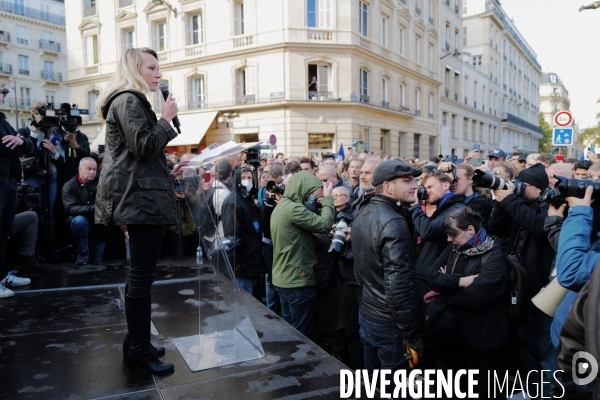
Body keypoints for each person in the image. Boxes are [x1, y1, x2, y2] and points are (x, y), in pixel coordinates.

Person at [95, 47, 179, 374]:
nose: (158, 74)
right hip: (139, 202)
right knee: (141, 278)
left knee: (139, 277)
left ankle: (136, 343)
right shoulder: (129, 99)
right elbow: (144, 146)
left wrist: (168, 171)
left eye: (159, 68)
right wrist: (167, 119)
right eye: (152, 68)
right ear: (135, 69)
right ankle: (140, 349)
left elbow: (139, 156)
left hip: (140, 196)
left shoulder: (129, 100)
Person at [488, 162, 557, 397]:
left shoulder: (552, 206)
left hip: (543, 292)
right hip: (518, 287)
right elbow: (494, 228)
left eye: (523, 185)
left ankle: (546, 391)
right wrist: (500, 202)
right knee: (524, 344)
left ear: (538, 188)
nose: (518, 188)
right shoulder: (519, 205)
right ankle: (529, 389)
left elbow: (539, 228)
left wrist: (510, 200)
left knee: (544, 347)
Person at [427, 207, 509, 397]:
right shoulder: (454, 248)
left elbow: (475, 297)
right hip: (455, 333)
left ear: (470, 229)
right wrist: (460, 281)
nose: (449, 239)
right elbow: (431, 276)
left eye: (453, 234)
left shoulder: (493, 256)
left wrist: (444, 291)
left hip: (482, 339)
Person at [353, 161, 423, 376]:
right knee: (394, 387)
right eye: (407, 181)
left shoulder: (364, 211)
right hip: (387, 322)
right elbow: (398, 286)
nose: (415, 186)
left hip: (368, 313)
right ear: (388, 186)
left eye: (414, 180)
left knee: (375, 384)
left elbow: (361, 272)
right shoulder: (393, 221)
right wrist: (411, 335)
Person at [270, 171, 334, 337]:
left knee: (290, 330)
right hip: (297, 280)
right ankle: (301, 364)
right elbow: (325, 224)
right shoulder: (294, 209)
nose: (312, 197)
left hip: (283, 278)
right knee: (302, 336)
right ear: (302, 190)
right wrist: (328, 198)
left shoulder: (282, 206)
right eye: (311, 192)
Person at [410, 171, 466, 300]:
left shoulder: (456, 210)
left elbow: (428, 231)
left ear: (446, 185)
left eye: (430, 187)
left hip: (433, 277)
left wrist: (414, 206)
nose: (426, 192)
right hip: (428, 274)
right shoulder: (445, 209)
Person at [1, 87, 34, 298]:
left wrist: (21, 141)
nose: (2, 95)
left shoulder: (3, 120)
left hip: (9, 183)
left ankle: (2, 275)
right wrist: (20, 143)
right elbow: (6, 145)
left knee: (3, 233)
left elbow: (28, 145)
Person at [221, 167, 266, 294]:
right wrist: (238, 262)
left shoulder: (247, 199)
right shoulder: (232, 202)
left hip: (252, 259)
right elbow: (231, 236)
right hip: (242, 264)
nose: (247, 181)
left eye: (249, 178)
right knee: (245, 299)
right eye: (243, 178)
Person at [63, 157, 106, 266]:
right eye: (89, 169)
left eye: (94, 169)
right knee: (78, 221)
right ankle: (82, 252)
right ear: (79, 169)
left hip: (100, 227)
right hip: (83, 222)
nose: (92, 172)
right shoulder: (70, 186)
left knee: (97, 263)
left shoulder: (102, 181)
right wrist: (93, 208)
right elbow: (70, 208)